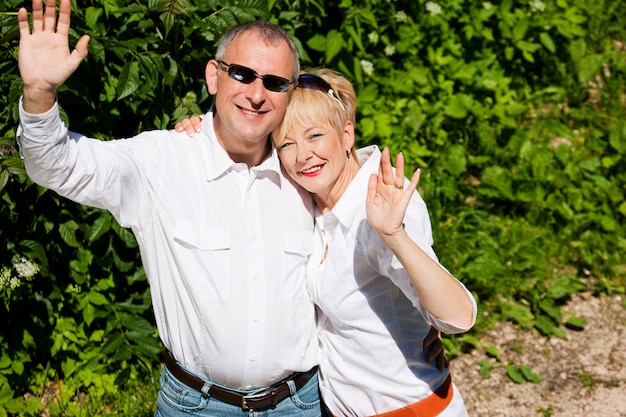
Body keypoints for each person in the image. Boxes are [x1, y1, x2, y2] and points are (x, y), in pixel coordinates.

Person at [16, 0, 322, 415]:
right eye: (243, 74)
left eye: (274, 82)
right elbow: (57, 166)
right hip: (195, 406)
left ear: (291, 93)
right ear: (214, 76)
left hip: (299, 404)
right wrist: (39, 94)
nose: (256, 94)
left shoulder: (308, 173)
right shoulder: (160, 162)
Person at [178, 69, 477, 416]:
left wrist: (394, 235)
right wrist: (204, 132)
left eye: (315, 135)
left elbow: (458, 317)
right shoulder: (308, 201)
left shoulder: (382, 204)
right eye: (287, 143)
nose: (302, 155)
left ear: (347, 134)